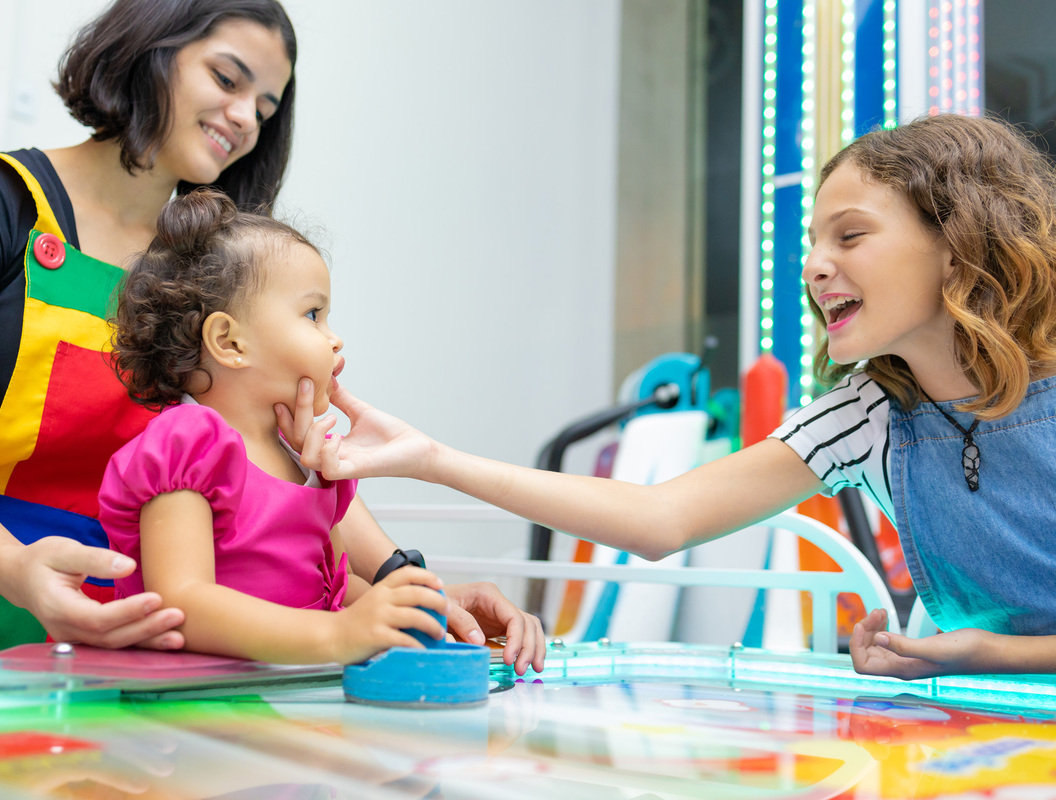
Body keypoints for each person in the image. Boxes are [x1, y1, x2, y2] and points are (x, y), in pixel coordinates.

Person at [0, 0, 543, 674]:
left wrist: (416, 589)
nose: (246, 119)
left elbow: (285, 467)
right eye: (227, 79)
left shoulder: (220, 269)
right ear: (149, 46)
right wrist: (17, 570)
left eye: (266, 109)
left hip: (154, 656)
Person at [290, 113, 1056, 680]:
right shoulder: (865, 416)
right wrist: (430, 458)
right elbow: (659, 519)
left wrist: (991, 653)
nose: (815, 266)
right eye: (812, 243)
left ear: (961, 243)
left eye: (849, 237)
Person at [98, 188, 452, 664]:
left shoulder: (304, 456)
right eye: (313, 314)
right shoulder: (187, 445)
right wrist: (339, 635)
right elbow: (181, 602)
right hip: (203, 713)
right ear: (229, 341)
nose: (335, 337)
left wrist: (416, 618)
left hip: (293, 695)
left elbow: (335, 589)